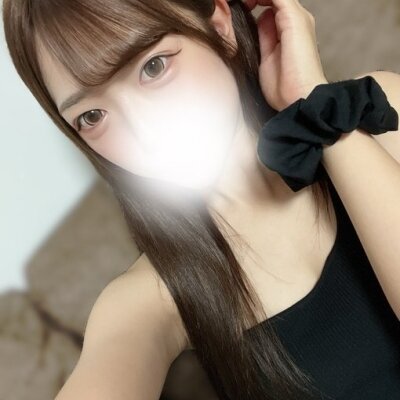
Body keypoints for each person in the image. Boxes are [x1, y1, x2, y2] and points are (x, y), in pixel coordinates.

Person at [3, 0, 400, 399]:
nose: (145, 136)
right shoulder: (146, 299)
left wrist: (317, 106)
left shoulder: (379, 107)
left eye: (154, 67)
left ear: (221, 26)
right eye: (92, 117)